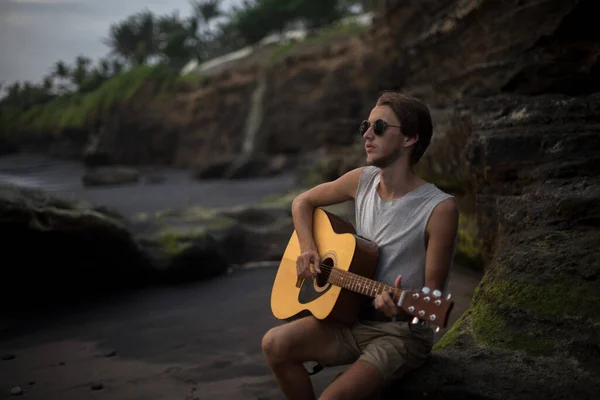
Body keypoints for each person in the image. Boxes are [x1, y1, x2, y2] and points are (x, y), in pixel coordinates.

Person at [261, 91, 459, 400]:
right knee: (274, 344)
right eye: (365, 125)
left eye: (379, 127)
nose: (367, 134)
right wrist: (308, 248)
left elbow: (433, 307)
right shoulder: (363, 180)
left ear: (409, 139)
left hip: (400, 334)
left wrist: (402, 309)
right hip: (351, 317)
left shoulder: (439, 209)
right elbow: (303, 201)